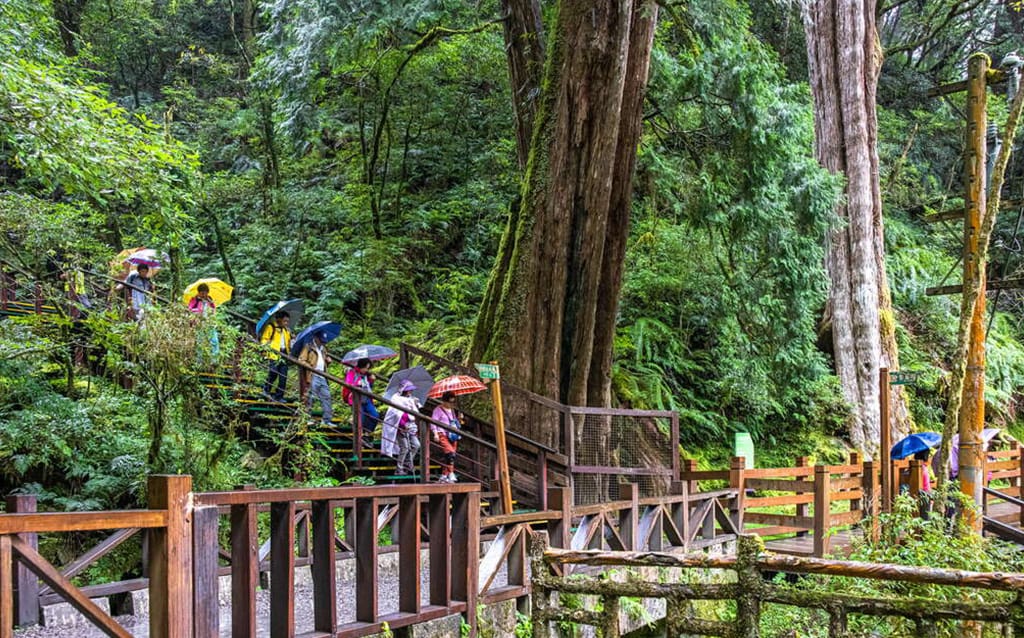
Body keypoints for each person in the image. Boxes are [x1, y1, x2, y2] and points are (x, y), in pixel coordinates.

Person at [382, 380, 422, 476]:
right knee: (404, 447)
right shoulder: (396, 399)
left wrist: (415, 404)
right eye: (408, 390)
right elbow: (395, 414)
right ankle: (399, 468)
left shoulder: (411, 400)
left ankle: (408, 462)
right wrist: (402, 425)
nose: (410, 392)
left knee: (416, 445)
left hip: (411, 426)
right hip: (400, 427)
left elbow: (414, 413)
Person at [299, 331, 333, 425]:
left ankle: (327, 420)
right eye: (321, 340)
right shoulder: (308, 347)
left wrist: (328, 362)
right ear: (316, 338)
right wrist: (310, 367)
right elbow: (301, 360)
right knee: (310, 397)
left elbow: (322, 363)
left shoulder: (323, 349)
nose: (323, 342)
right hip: (312, 375)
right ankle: (307, 418)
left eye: (324, 341)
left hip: (323, 376)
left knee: (327, 397)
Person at [343, 358, 379, 443]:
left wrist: (371, 380)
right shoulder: (352, 372)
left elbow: (368, 387)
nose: (367, 370)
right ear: (361, 366)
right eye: (366, 368)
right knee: (360, 419)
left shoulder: (367, 375)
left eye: (368, 368)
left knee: (374, 415)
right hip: (356, 399)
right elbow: (348, 384)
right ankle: (358, 439)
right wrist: (357, 384)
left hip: (366, 399)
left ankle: (367, 435)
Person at [260, 312, 291, 401]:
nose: (286, 323)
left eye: (287, 321)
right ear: (279, 319)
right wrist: (267, 349)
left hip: (284, 353)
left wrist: (291, 337)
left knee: (283, 377)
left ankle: (279, 396)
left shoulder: (286, 330)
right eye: (285, 321)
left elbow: (288, 343)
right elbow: (264, 339)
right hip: (274, 353)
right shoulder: (271, 327)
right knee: (273, 372)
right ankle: (266, 390)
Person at [431, 392, 462, 483]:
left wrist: (459, 419)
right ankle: (451, 473)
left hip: (453, 435)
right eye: (449, 402)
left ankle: (444, 475)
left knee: (450, 456)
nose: (451, 404)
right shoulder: (438, 410)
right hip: (443, 434)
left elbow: (454, 422)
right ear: (444, 401)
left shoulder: (452, 410)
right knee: (450, 454)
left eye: (452, 402)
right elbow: (433, 422)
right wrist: (435, 434)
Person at [187, 283, 220, 360]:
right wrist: (197, 314)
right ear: (199, 292)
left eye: (205, 293)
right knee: (200, 342)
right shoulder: (194, 300)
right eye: (202, 293)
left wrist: (213, 317)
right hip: (199, 324)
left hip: (209, 323)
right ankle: (199, 361)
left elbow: (214, 310)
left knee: (214, 341)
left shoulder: (210, 300)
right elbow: (190, 310)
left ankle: (215, 360)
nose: (204, 295)